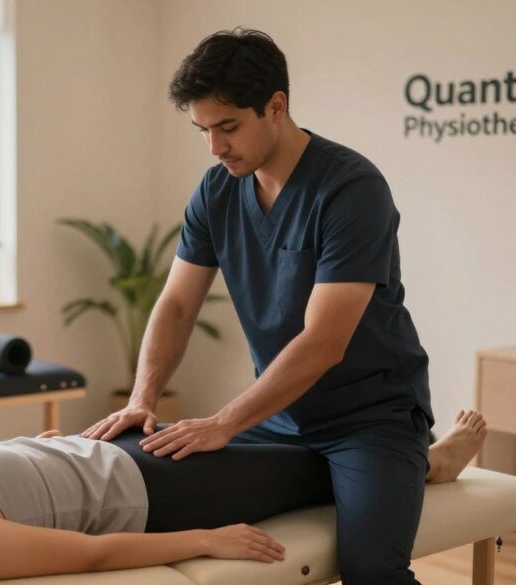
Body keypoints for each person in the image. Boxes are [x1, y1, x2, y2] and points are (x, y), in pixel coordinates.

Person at [83, 29, 485, 584]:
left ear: (277, 106)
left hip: (369, 417)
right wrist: (142, 398)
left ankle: (415, 457)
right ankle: (427, 465)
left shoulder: (351, 189)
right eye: (203, 130)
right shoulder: (216, 190)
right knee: (147, 468)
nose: (216, 147)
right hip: (279, 418)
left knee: (371, 569)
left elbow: (324, 342)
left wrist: (224, 422)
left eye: (228, 127)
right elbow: (177, 305)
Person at [0, 414, 485, 584]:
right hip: (163, 493)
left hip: (120, 450)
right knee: (324, 463)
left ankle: (416, 454)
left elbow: (18, 469)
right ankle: (429, 462)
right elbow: (97, 549)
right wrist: (206, 536)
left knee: (292, 430)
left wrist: (69, 436)